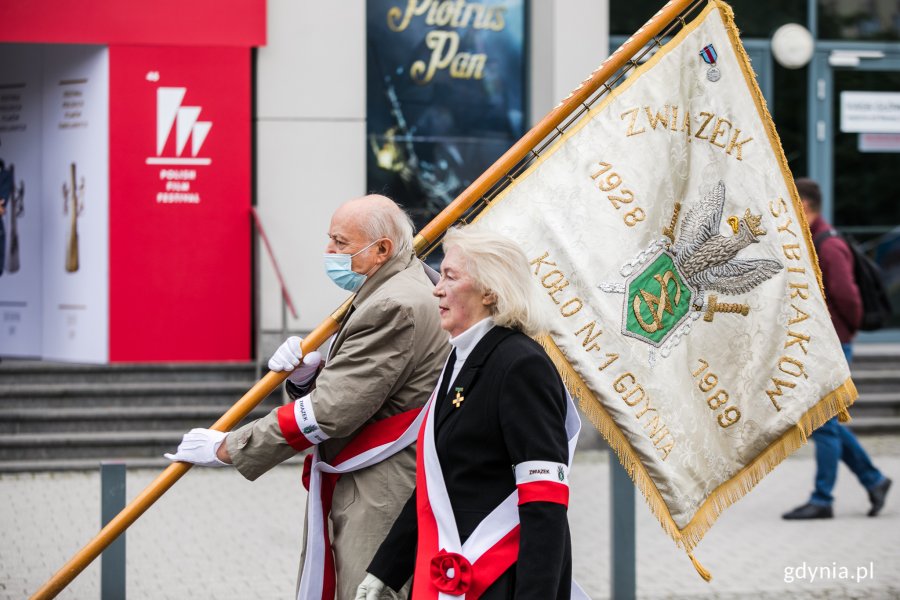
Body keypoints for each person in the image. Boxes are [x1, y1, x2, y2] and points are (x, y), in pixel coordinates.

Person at [166, 194, 449, 599]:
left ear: (382, 249)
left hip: (380, 486)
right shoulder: (398, 281)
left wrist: (230, 447)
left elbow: (333, 410)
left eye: (340, 242)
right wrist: (306, 378)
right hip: (376, 475)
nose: (329, 252)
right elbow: (367, 386)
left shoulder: (393, 303)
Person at [355, 226, 580, 600]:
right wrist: (384, 571)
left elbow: (544, 500)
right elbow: (439, 486)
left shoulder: (520, 365)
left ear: (491, 292)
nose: (436, 288)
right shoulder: (463, 356)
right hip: (454, 573)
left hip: (502, 580)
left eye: (450, 276)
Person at [782, 177, 892, 520]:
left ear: (804, 206)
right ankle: (873, 479)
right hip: (820, 344)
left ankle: (823, 498)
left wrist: (844, 333)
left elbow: (848, 298)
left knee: (824, 425)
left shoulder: (829, 247)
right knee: (825, 423)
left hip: (832, 345)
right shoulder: (812, 242)